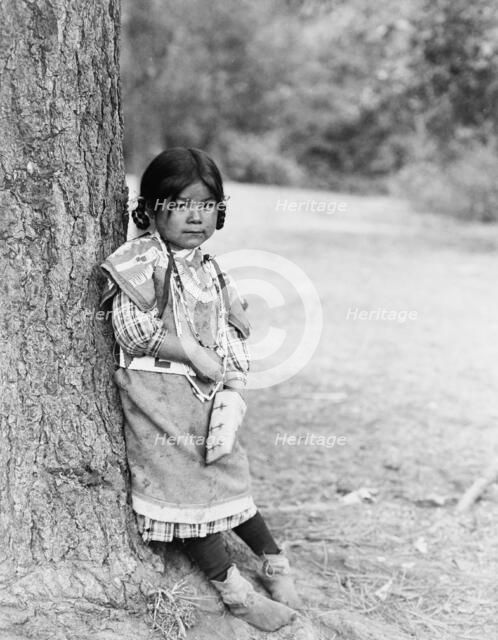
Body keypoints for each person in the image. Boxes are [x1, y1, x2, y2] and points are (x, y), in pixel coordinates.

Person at [99, 148, 301, 631]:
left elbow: (231, 336)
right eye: (179, 203)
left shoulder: (210, 269)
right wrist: (192, 351)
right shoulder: (138, 261)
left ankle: (275, 561)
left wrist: (233, 382)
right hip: (158, 396)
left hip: (208, 395)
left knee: (229, 472)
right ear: (150, 209)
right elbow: (133, 331)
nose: (195, 216)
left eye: (206, 205)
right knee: (182, 488)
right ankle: (234, 592)